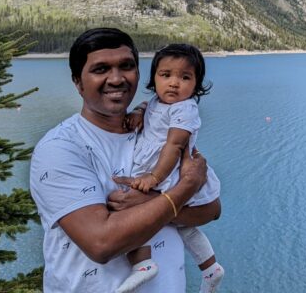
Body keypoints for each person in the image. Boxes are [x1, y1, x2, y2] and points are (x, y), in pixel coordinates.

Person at [29, 28, 220, 292]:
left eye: (126, 66)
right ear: (78, 82)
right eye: (100, 69)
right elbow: (101, 243)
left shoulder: (156, 132)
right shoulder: (60, 148)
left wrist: (156, 202)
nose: (116, 78)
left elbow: (211, 209)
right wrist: (183, 189)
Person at [116, 43, 225, 293]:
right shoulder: (157, 101)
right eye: (166, 75)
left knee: (137, 209)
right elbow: (149, 106)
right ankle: (210, 268)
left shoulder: (185, 108)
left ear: (196, 84)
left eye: (184, 77)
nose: (174, 83)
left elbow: (175, 145)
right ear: (154, 78)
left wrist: (154, 177)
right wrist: (138, 110)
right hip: (163, 171)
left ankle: (143, 263)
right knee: (184, 226)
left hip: (169, 173)